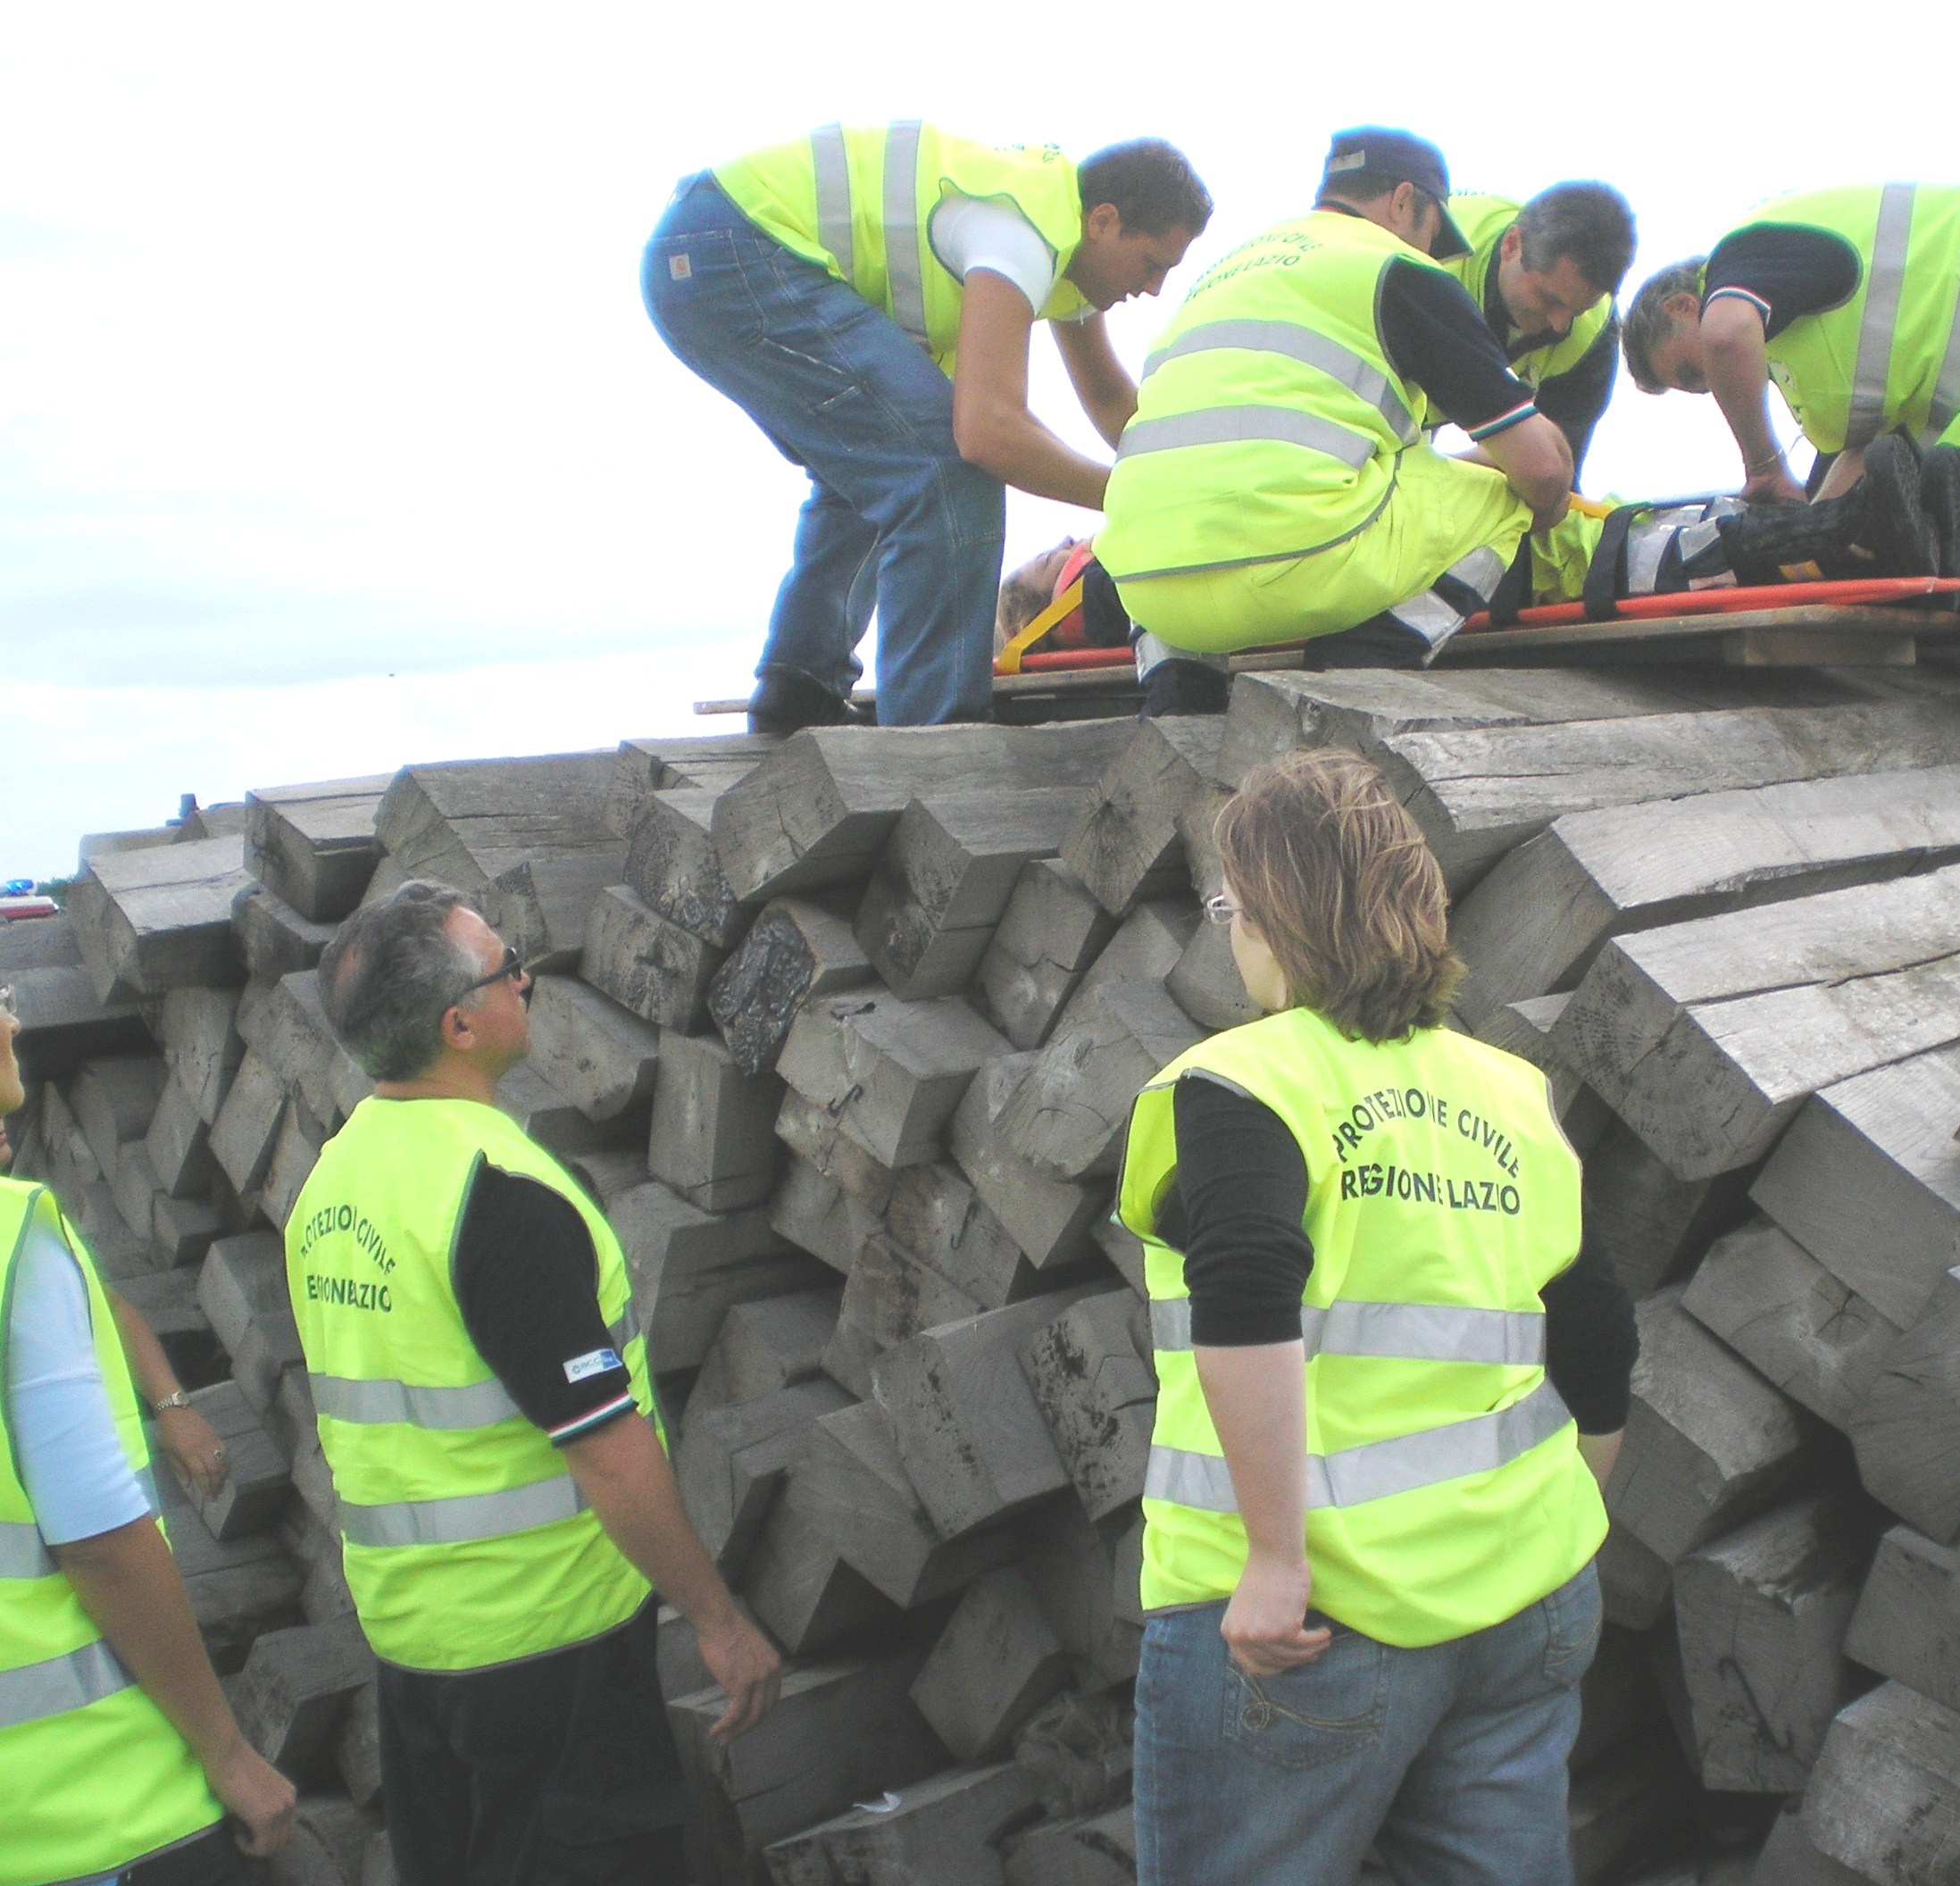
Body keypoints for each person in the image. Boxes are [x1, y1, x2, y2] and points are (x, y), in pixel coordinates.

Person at [1118, 751, 1640, 1886]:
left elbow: (1245, 1300)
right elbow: (1597, 1326)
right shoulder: (1506, 1090)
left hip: (1307, 1627)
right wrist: (1561, 1510)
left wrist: (1273, 1557)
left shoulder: (1245, 1083)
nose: (1230, 935)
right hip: (1524, 1603)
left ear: (1270, 917)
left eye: (1228, 910)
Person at [284, 885, 783, 1885]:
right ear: (459, 1026)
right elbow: (605, 1449)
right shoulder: (495, 1196)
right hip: (547, 1654)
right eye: (506, 965)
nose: (526, 978)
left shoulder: (332, 1184)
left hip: (418, 1650)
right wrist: (719, 1622)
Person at [1622, 184, 1960, 832]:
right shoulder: (1812, 344)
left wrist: (1764, 465)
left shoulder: (1745, 260)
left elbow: (1726, 334)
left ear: (1684, 305)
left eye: (1690, 373)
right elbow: (1867, 458)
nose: (1708, 386)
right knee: (1955, 553)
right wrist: (1805, 544)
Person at [645, 122, 1214, 732]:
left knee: (887, 461)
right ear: (1103, 221)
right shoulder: (1023, 231)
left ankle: (799, 691)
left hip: (715, 247)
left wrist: (1194, 487)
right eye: (1152, 263)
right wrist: (1129, 497)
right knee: (945, 470)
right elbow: (987, 432)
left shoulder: (1062, 256)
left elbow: (1109, 401)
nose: (1154, 288)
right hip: (728, 247)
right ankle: (937, 730)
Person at [1095, 127, 1589, 713]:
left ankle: (1180, 702)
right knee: (1505, 497)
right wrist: (1548, 503)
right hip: (1291, 573)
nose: (1431, 251)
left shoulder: (1221, 272)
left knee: (1182, 501)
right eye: (1432, 233)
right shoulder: (1398, 269)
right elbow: (1542, 470)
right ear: (1403, 202)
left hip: (1146, 588)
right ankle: (1355, 677)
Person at [0, 982, 298, 1886]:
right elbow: (100, 1541)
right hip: (96, 1809)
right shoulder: (14, 1239)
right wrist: (228, 1754)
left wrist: (169, 1406)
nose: (13, 1018)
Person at [1434, 182, 1637, 477]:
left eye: (1577, 311)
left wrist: (1436, 473)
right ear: (1511, 245)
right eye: (1549, 299)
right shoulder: (1427, 245)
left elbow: (1548, 470)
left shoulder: (1596, 332)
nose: (1560, 325)